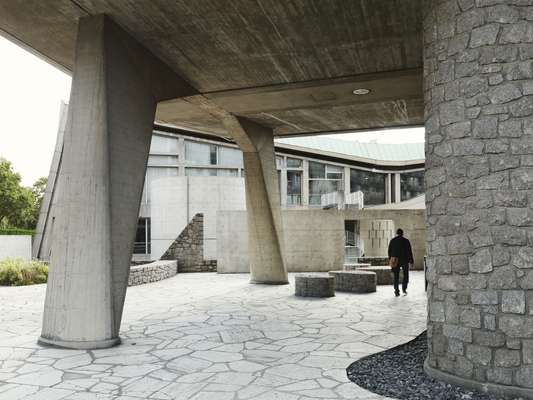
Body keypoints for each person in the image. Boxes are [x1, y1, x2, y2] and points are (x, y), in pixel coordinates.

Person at [388, 228, 413, 297]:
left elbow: (389, 251)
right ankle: (404, 289)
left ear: (397, 233)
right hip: (404, 260)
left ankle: (396, 291)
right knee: (406, 275)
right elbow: (409, 251)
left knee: (396, 276)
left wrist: (390, 259)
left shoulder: (392, 241)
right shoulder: (406, 241)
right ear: (402, 233)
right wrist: (411, 260)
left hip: (395, 260)